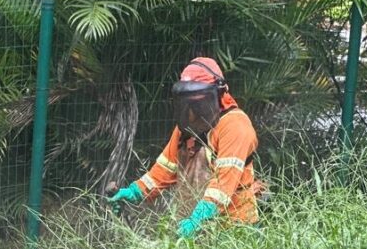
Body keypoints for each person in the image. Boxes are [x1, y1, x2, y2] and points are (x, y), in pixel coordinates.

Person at [109, 57, 263, 237]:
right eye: (188, 102)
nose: (193, 110)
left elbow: (222, 186)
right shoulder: (187, 127)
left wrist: (197, 220)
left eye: (199, 102)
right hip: (194, 232)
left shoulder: (236, 126)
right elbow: (164, 169)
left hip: (237, 234)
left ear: (218, 94)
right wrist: (135, 192)